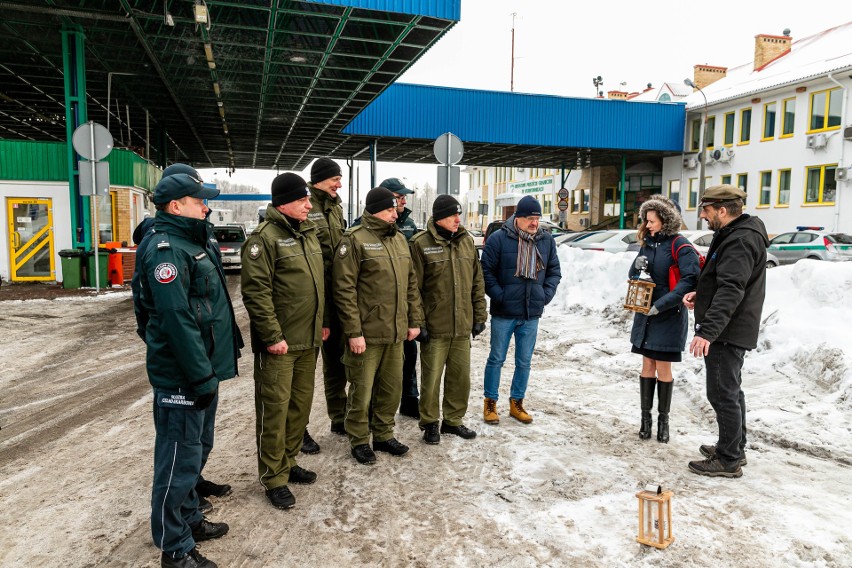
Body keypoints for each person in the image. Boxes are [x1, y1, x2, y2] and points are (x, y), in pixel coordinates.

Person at [133, 170, 242, 568]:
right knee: (177, 462)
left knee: (195, 454)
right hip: (185, 376)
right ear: (177, 206)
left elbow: (209, 309)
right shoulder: (166, 249)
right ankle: (174, 548)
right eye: (200, 201)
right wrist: (197, 375)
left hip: (201, 372)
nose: (207, 206)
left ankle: (190, 519)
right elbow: (174, 319)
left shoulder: (190, 240)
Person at [241, 173, 327, 510]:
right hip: (280, 345)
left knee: (299, 408)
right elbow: (256, 293)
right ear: (283, 203)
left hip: (308, 341)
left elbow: (318, 285)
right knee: (274, 412)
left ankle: (288, 462)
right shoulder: (264, 239)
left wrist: (323, 324)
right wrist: (272, 336)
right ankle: (273, 477)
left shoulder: (308, 234)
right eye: (303, 199)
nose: (309, 205)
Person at [332, 186, 423, 465]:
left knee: (391, 389)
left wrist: (413, 320)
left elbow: (410, 285)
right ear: (374, 210)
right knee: (361, 390)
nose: (394, 213)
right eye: (388, 209)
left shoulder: (398, 240)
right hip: (367, 335)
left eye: (395, 208)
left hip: (395, 333)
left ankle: (383, 435)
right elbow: (343, 289)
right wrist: (353, 332)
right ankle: (359, 439)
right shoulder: (355, 240)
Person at [683, 184, 767, 478]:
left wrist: (707, 331)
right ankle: (734, 446)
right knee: (730, 390)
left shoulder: (740, 240)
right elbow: (723, 281)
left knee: (721, 393)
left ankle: (729, 459)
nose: (703, 216)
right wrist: (701, 295)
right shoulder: (734, 233)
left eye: (705, 210)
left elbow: (732, 289)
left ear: (721, 209)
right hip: (730, 326)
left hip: (727, 330)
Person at [410, 195, 487, 444]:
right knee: (431, 380)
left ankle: (453, 421)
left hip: (462, 326)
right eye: (453, 215)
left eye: (459, 214)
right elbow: (414, 289)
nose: (458, 219)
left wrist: (479, 315)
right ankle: (430, 423)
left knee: (460, 377)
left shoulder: (466, 242)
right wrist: (419, 323)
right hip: (435, 327)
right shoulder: (421, 244)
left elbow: (477, 281)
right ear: (439, 217)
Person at [480, 196, 561, 424]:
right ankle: (490, 404)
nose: (534, 223)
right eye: (530, 218)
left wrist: (544, 296)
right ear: (518, 218)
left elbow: (554, 271)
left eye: (537, 218)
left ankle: (517, 403)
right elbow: (486, 271)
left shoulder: (546, 241)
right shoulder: (498, 239)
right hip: (504, 312)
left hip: (531, 312)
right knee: (496, 358)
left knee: (524, 362)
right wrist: (500, 295)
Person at [628, 194, 700, 444]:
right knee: (647, 365)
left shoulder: (680, 245)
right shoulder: (648, 243)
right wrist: (637, 265)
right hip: (645, 314)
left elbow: (690, 280)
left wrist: (661, 305)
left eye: (651, 220)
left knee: (663, 367)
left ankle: (663, 422)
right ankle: (645, 421)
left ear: (665, 220)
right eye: (646, 220)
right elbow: (634, 275)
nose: (647, 225)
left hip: (667, 315)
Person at [351, 178, 421, 418]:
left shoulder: (406, 228)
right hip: (373, 320)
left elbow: (411, 276)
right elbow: (347, 286)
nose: (402, 201)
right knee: (367, 378)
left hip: (399, 314)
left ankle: (408, 401)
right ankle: (363, 424)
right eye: (396, 198)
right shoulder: (359, 233)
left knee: (406, 361)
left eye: (402, 198)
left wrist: (415, 316)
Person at [306, 157, 346, 447]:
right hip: (311, 299)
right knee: (304, 372)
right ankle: (299, 430)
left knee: (336, 364)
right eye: (335, 178)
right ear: (320, 179)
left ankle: (339, 416)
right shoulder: (305, 206)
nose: (339, 184)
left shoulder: (336, 208)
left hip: (337, 296)